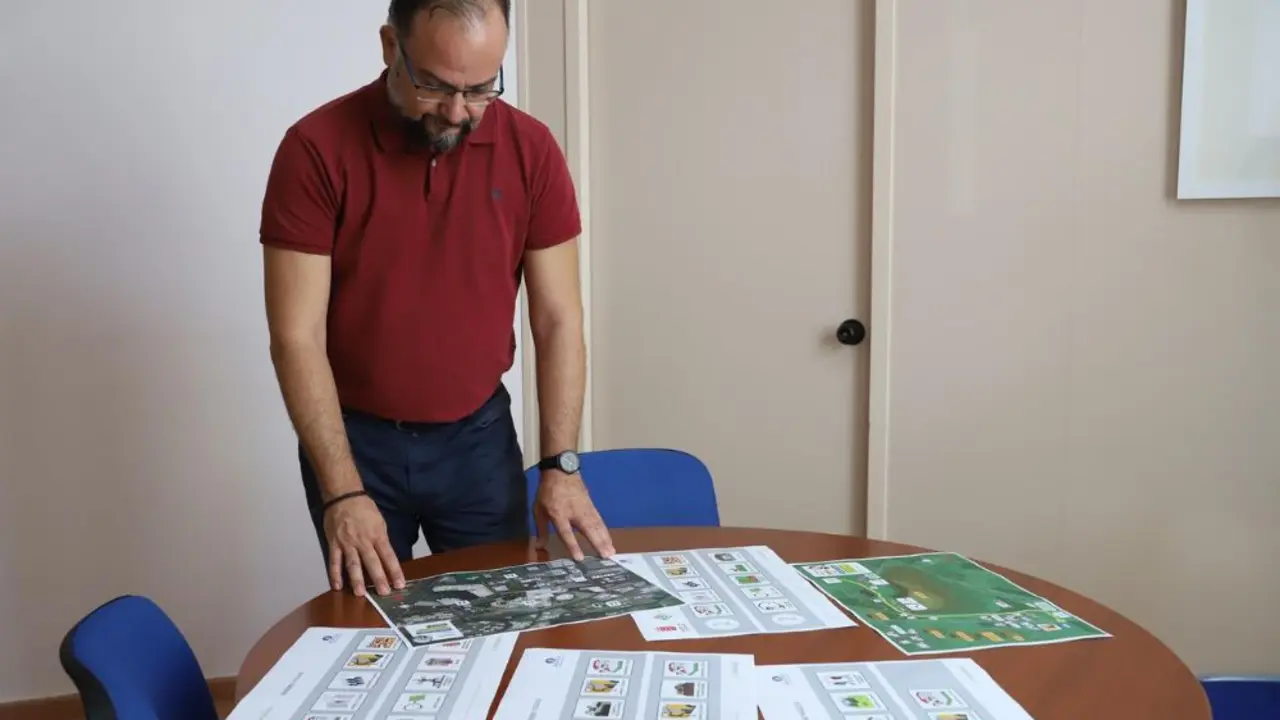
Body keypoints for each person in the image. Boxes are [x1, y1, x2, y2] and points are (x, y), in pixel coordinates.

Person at [258, 0, 614, 598]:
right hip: (356, 444)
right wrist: (343, 491)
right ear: (391, 48)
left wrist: (561, 466)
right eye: (436, 86)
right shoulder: (315, 149)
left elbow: (557, 320)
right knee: (371, 629)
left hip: (477, 442)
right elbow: (296, 337)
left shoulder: (531, 150)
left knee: (501, 619)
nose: (457, 112)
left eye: (481, 89)